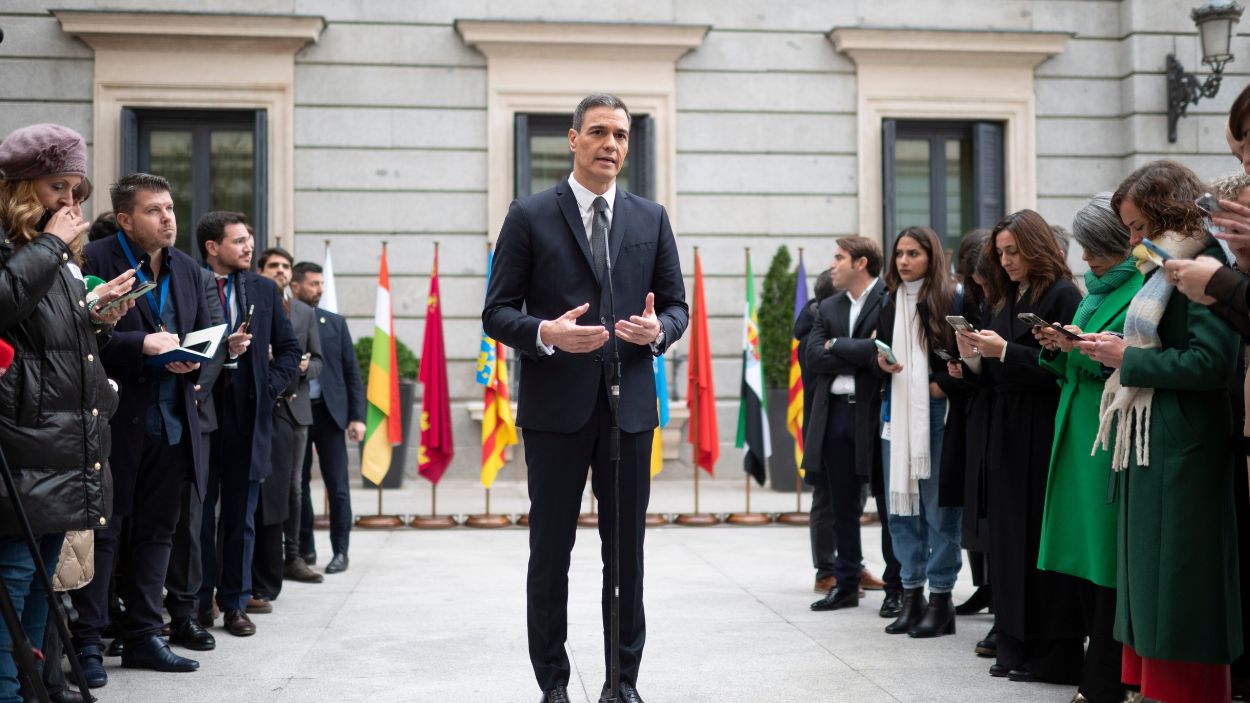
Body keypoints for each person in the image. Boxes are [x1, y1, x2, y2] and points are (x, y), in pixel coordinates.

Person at [482, 93, 688, 703]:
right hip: (555, 413)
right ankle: (553, 685)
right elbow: (496, 313)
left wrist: (660, 332)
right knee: (551, 554)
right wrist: (547, 333)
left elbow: (677, 305)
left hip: (628, 413)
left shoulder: (650, 218)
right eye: (598, 132)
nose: (611, 145)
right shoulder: (529, 214)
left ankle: (621, 683)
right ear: (573, 139)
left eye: (621, 135)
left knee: (626, 558)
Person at [1083, 160, 1242, 703]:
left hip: (1184, 446)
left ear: (1165, 210)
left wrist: (1129, 360)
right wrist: (1118, 357)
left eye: (1135, 226)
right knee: (1153, 587)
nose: (1131, 239)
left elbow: (1210, 363)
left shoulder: (1204, 261)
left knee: (1178, 590)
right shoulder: (1166, 261)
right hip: (1155, 439)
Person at [0, 124, 133, 703]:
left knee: (42, 584)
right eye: (59, 187)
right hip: (23, 438)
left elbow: (57, 349)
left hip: (64, 438)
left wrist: (97, 317)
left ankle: (34, 687)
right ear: (23, 187)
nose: (70, 204)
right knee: (14, 577)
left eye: (77, 191)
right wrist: (51, 246)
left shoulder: (60, 258)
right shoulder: (27, 248)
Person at [74, 172, 212, 685]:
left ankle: (144, 636)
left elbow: (201, 335)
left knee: (159, 532)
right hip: (114, 421)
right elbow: (78, 342)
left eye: (171, 208)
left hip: (175, 422)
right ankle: (89, 640)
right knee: (105, 531)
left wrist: (193, 362)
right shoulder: (93, 260)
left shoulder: (190, 270)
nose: (168, 218)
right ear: (127, 218)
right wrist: (140, 347)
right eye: (155, 210)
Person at [957, 209, 1084, 684]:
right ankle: (1012, 642)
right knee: (1008, 536)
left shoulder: (1063, 294)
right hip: (1007, 424)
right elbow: (996, 370)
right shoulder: (1007, 298)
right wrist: (971, 360)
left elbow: (1064, 365)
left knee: (1037, 536)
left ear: (1035, 247)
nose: (1006, 261)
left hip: (1043, 422)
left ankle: (1050, 651)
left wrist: (1005, 352)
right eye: (1001, 253)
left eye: (1013, 251)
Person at [1033, 194, 1142, 703]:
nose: (1085, 261)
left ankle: (1104, 681)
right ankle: (1095, 674)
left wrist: (1086, 351)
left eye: (1094, 250)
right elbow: (1075, 363)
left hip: (1106, 434)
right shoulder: (1092, 292)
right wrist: (1058, 347)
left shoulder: (1141, 286)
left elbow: (1131, 363)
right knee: (1079, 558)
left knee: (1103, 562)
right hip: (1075, 429)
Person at [196, 212, 300, 638]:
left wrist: (268, 385)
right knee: (198, 515)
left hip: (248, 414)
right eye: (237, 241)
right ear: (212, 247)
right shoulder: (189, 280)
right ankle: (200, 601)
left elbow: (289, 350)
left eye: (248, 241)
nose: (247, 248)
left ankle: (236, 604)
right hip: (201, 411)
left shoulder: (264, 289)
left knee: (242, 515)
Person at [875, 226, 962, 638]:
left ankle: (942, 598)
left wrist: (942, 383)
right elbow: (876, 346)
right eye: (899, 254)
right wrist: (883, 364)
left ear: (931, 257)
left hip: (936, 413)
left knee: (938, 510)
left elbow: (965, 354)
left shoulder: (951, 297)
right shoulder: (889, 300)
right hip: (896, 411)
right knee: (899, 507)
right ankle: (912, 595)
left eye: (913, 253)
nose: (904, 261)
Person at [802, 237, 897, 615]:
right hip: (836, 414)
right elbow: (812, 357)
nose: (833, 265)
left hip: (874, 413)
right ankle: (844, 583)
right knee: (841, 504)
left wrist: (836, 347)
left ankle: (896, 587)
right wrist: (861, 348)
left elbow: (887, 356)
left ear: (861, 263)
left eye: (839, 258)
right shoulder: (828, 305)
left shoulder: (887, 301)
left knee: (889, 507)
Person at [251, 246, 323, 610]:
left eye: (285, 266)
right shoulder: (247, 299)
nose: (280, 271)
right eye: (274, 265)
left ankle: (291, 555)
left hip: (293, 411)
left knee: (291, 490)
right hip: (255, 408)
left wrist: (303, 366)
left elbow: (318, 361)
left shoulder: (304, 312)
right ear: (261, 269)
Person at [292, 262, 364, 574]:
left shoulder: (334, 323)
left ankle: (340, 551)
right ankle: (305, 550)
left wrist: (357, 417)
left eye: (322, 284)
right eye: (313, 284)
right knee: (300, 484)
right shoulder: (287, 319)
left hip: (332, 413)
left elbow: (352, 372)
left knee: (337, 485)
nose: (319, 289)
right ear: (296, 286)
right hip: (298, 411)